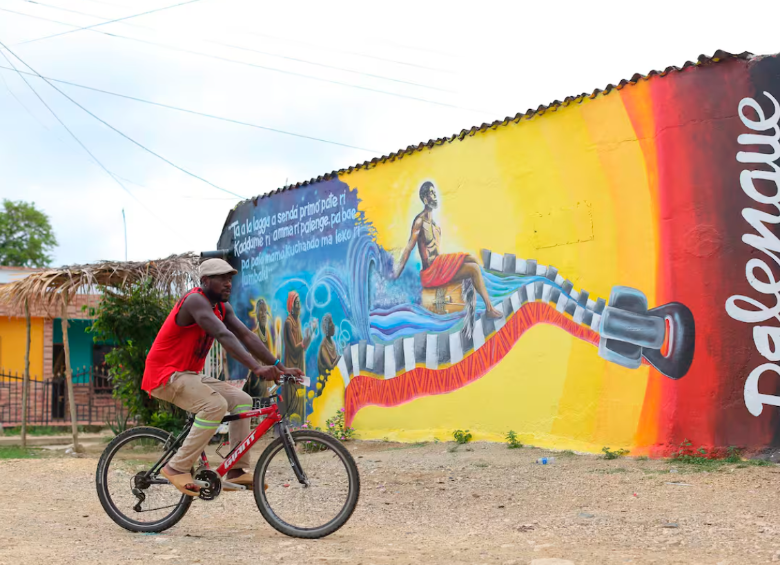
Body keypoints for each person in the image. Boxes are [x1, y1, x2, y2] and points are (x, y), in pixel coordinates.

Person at [141, 258, 303, 497]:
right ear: (205, 281)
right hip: (166, 374)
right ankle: (177, 467)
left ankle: (236, 469)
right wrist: (256, 368)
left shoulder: (222, 307)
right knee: (214, 405)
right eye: (222, 278)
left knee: (242, 399)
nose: (228, 283)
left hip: (190, 375)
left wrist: (278, 365)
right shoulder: (195, 301)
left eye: (230, 279)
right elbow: (223, 335)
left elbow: (247, 336)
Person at [393, 181, 502, 319]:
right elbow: (408, 248)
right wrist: (396, 274)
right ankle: (489, 308)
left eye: (434, 192)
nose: (435, 196)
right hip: (430, 273)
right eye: (431, 193)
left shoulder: (436, 227)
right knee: (473, 269)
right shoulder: (419, 221)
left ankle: (481, 302)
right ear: (425, 199)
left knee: (473, 259)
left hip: (439, 267)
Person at [282, 291, 317, 422]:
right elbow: (294, 348)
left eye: (299, 303)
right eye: (296, 304)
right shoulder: (288, 323)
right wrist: (308, 336)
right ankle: (292, 425)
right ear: (291, 305)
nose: (299, 306)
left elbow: (303, 346)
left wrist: (310, 334)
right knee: (293, 396)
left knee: (300, 395)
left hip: (299, 363)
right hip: (292, 365)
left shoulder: (297, 321)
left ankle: (300, 425)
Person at [243, 298, 277, 401]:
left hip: (269, 377)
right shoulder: (255, 335)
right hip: (259, 379)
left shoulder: (267, 334)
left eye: (264, 311)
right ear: (257, 314)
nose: (263, 314)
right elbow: (254, 360)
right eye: (260, 311)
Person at [317, 313, 340, 392]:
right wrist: (339, 357)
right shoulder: (324, 347)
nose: (333, 325)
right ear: (326, 328)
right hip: (325, 387)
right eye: (330, 323)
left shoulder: (332, 343)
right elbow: (330, 367)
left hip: (333, 383)